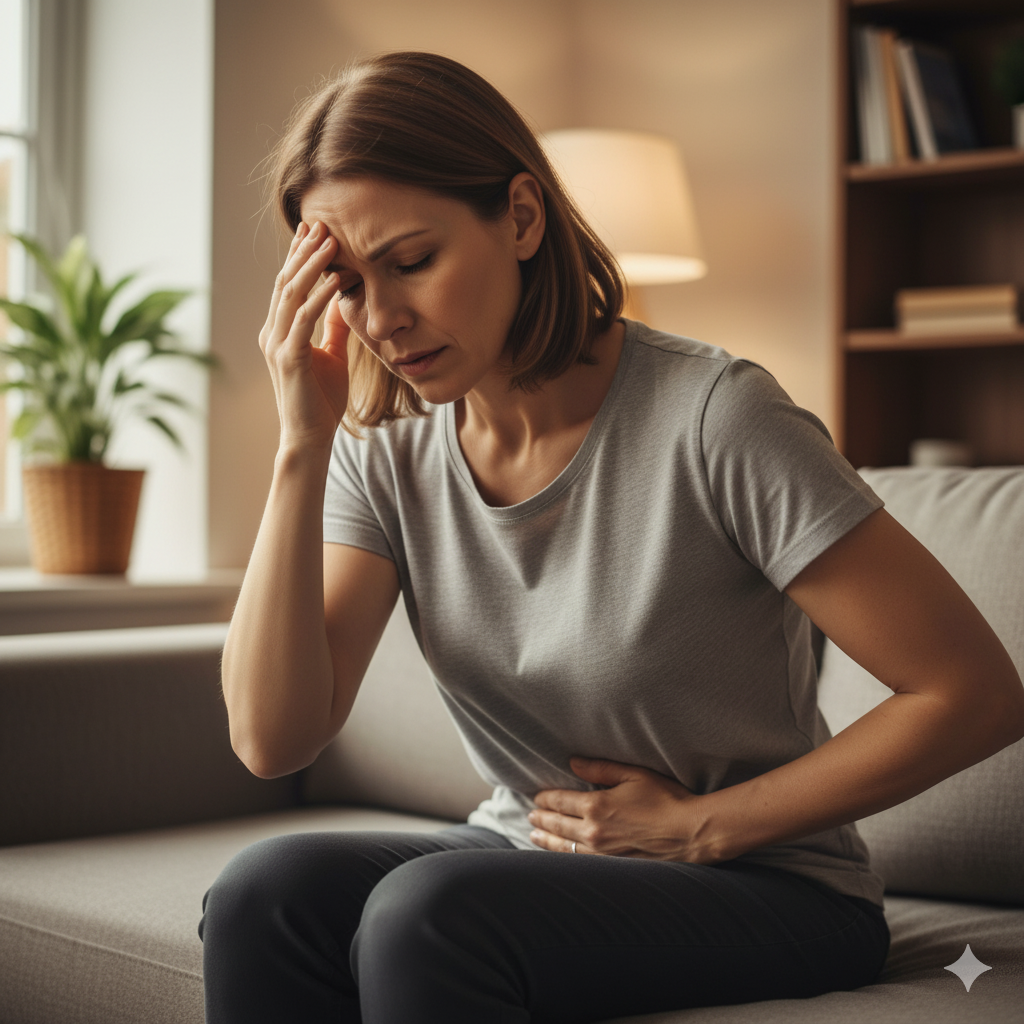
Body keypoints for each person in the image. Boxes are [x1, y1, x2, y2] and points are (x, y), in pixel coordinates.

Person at [198, 51, 1024, 1024]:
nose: (380, 320)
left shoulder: (714, 416)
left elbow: (972, 693)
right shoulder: (383, 452)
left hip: (771, 886)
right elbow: (272, 737)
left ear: (521, 217)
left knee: (427, 916)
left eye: (412, 262)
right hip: (531, 855)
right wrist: (301, 443)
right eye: (346, 282)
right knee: (263, 896)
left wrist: (699, 826)